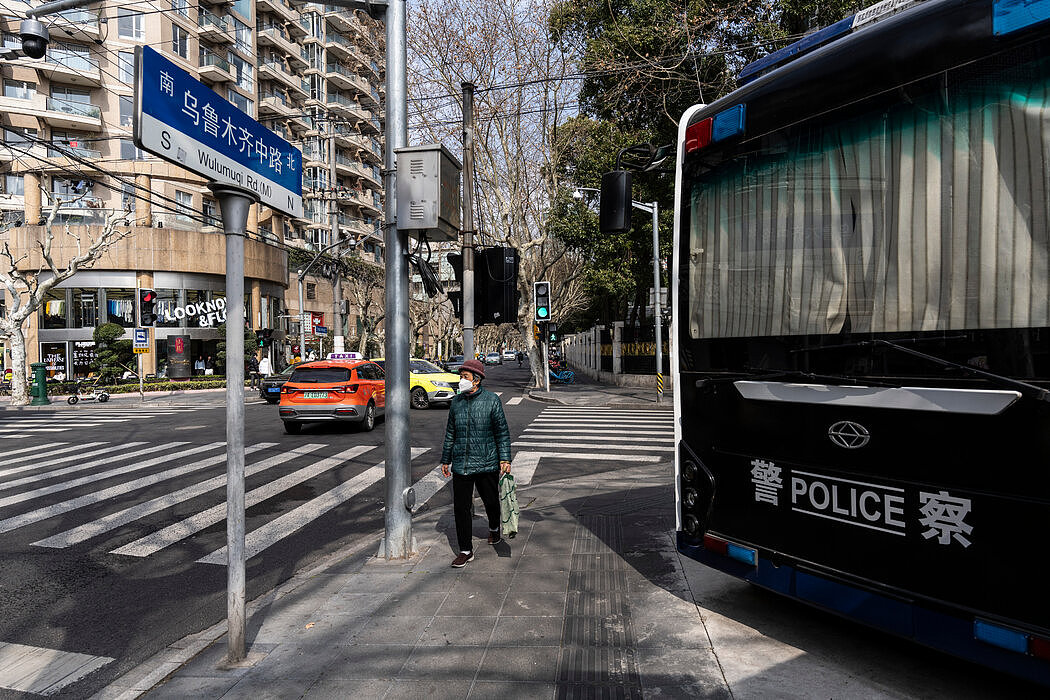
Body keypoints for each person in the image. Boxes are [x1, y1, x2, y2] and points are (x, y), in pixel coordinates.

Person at [440, 358, 512, 568]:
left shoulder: (491, 401)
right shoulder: (456, 402)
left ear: (477, 380)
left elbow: (502, 432)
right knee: (461, 508)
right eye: (461, 376)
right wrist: (446, 459)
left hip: (486, 462)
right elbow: (450, 432)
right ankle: (465, 550)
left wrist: (505, 458)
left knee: (491, 501)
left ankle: (493, 528)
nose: (461, 380)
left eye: (465, 377)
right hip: (461, 464)